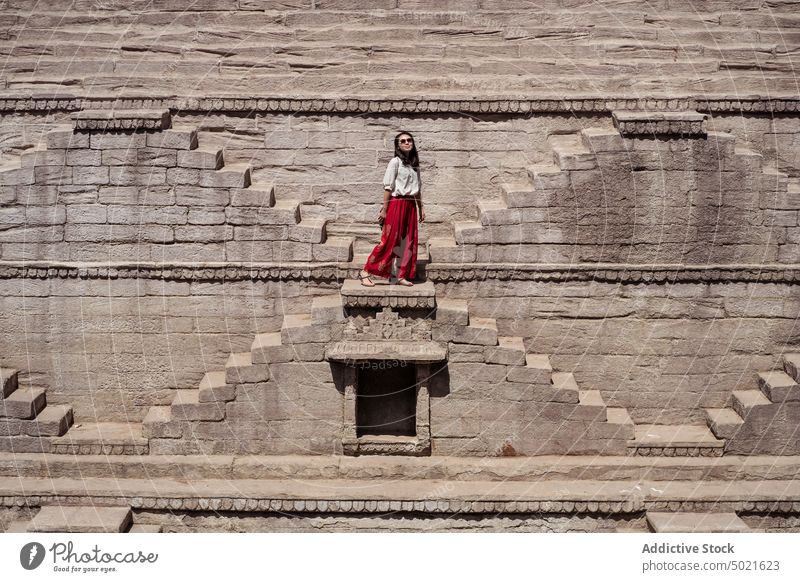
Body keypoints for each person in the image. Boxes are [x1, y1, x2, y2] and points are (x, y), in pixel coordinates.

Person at [358, 131, 425, 287]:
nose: (407, 143)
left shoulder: (414, 165)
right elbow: (388, 187)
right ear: (398, 146)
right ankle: (366, 271)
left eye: (409, 140)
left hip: (411, 205)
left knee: (407, 241)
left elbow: (418, 188)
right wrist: (384, 209)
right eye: (403, 141)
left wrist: (421, 208)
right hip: (396, 204)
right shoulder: (395, 162)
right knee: (390, 240)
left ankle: (401, 275)